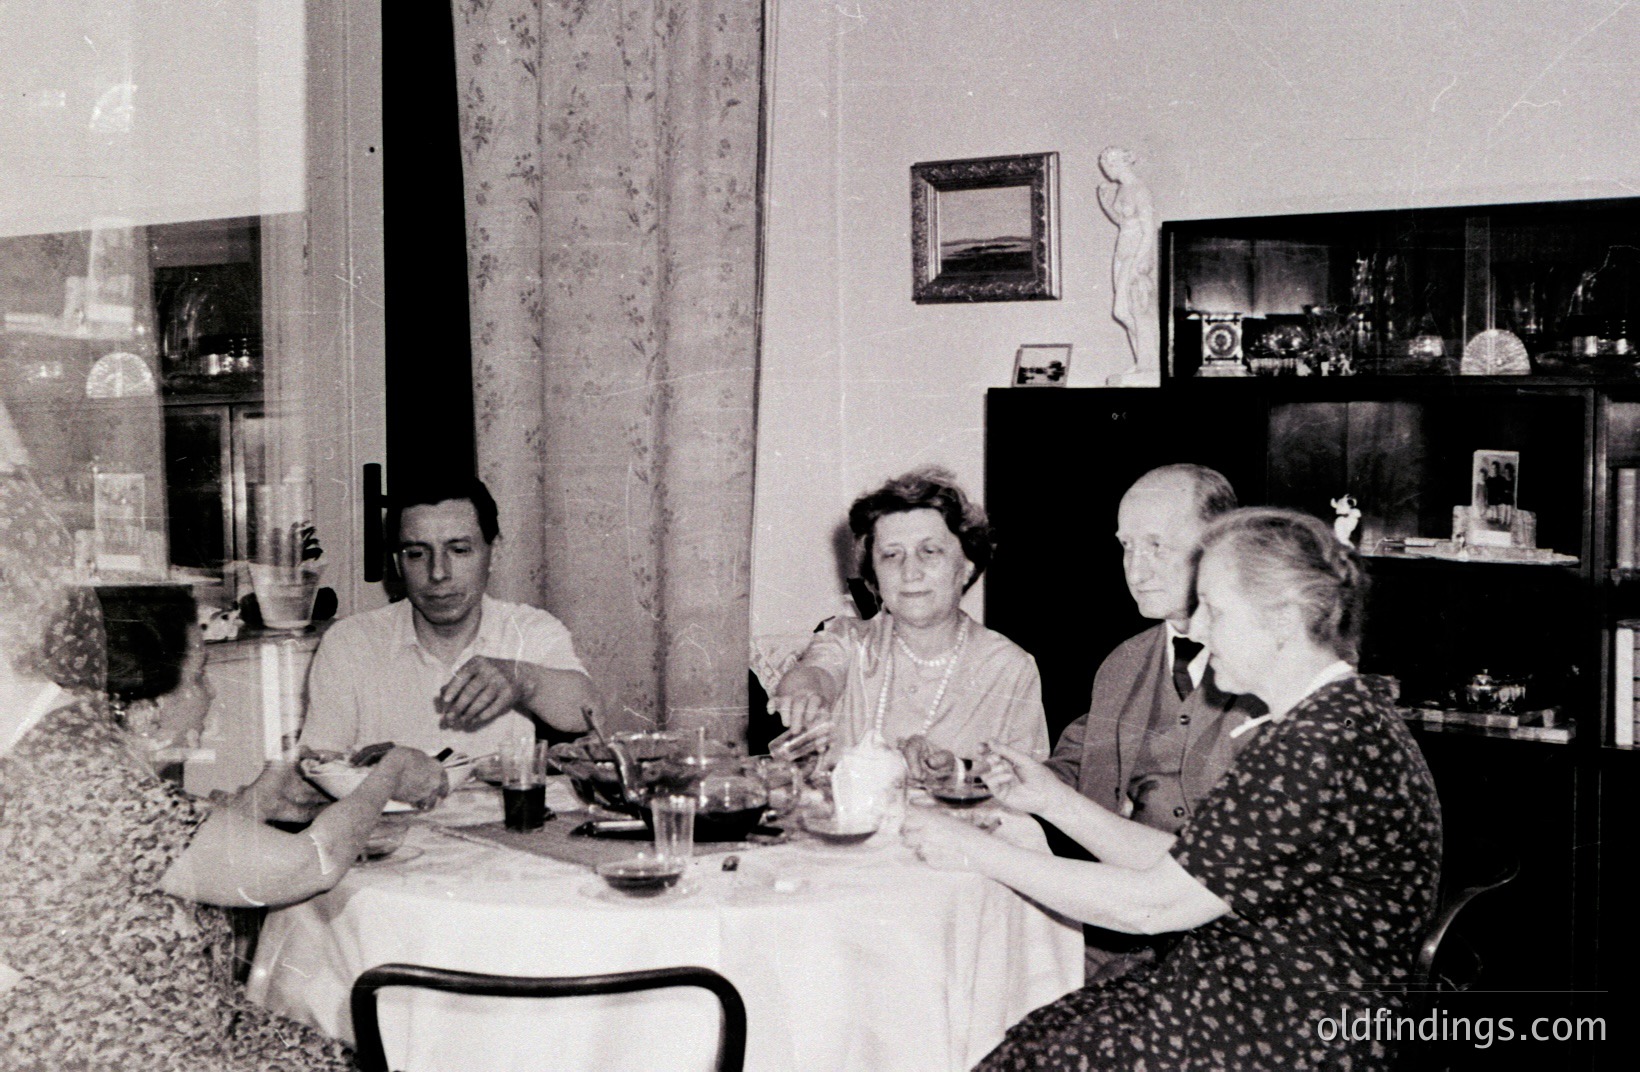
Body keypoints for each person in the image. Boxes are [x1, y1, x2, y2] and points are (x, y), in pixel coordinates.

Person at [901, 507, 1442, 1071]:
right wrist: (1053, 800)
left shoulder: (1313, 746)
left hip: (1288, 1034)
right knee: (1036, 1035)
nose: (1199, 629)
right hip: (1262, 1000)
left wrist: (973, 848)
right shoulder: (1334, 719)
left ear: (1282, 619)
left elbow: (1152, 906)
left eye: (1214, 608)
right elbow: (1191, 866)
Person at [0, 474, 448, 1069]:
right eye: (200, 674)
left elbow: (154, 858)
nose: (211, 696)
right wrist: (388, 773)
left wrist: (259, 799)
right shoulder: (99, 781)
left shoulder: (64, 750)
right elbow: (309, 866)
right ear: (148, 706)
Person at [769, 467, 1048, 775]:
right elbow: (815, 673)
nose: (910, 572)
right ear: (874, 575)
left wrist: (956, 773)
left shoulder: (1008, 667)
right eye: (891, 555)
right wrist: (806, 694)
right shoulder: (849, 640)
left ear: (967, 566)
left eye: (929, 551)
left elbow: (1029, 789)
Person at [300, 474, 598, 758]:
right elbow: (320, 765)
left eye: (458, 550)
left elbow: (589, 714)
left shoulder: (527, 629)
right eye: (417, 553)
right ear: (397, 563)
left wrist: (524, 680)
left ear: (494, 553)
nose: (438, 573)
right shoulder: (350, 643)